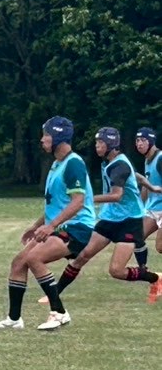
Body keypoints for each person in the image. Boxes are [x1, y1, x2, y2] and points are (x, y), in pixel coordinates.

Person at [0, 116, 94, 332]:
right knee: (18, 262)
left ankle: (59, 313)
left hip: (77, 227)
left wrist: (51, 226)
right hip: (60, 226)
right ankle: (14, 319)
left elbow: (78, 202)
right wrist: (37, 226)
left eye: (46, 135)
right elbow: (56, 203)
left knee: (35, 258)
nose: (42, 139)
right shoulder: (57, 164)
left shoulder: (73, 163)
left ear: (58, 137)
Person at [43, 127, 158, 304]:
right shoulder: (110, 162)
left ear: (111, 144)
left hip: (129, 222)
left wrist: (88, 199)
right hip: (109, 218)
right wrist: (151, 186)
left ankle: (155, 278)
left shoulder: (119, 166)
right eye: (96, 142)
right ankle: (55, 294)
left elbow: (117, 195)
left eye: (101, 142)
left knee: (116, 271)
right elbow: (136, 176)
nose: (97, 146)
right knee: (82, 256)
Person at [133, 127, 162, 298]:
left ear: (151, 141)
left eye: (143, 140)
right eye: (137, 140)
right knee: (136, 237)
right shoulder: (147, 160)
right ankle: (145, 272)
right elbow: (146, 185)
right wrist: (138, 207)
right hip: (152, 209)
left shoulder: (160, 158)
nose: (139, 144)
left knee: (160, 247)